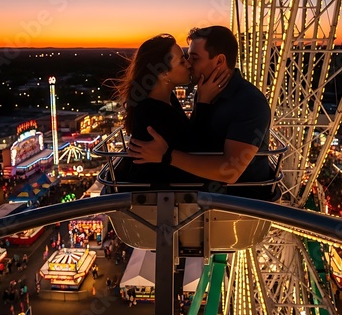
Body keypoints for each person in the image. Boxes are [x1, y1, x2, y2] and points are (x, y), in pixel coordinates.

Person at [128, 26, 273, 198]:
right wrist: (202, 103)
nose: (189, 64)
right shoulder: (204, 92)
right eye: (185, 58)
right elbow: (195, 140)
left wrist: (167, 156)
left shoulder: (249, 102)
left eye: (194, 58)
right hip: (202, 195)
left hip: (241, 200)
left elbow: (229, 171)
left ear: (219, 61)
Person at [114, 33, 227, 185]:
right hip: (160, 200)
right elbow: (197, 149)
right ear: (162, 73)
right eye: (182, 62)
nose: (188, 64)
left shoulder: (168, 100)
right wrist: (204, 103)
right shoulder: (152, 112)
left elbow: (187, 138)